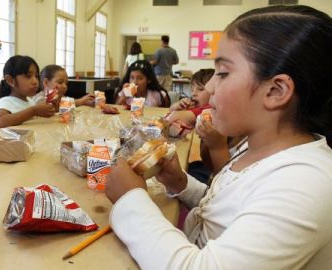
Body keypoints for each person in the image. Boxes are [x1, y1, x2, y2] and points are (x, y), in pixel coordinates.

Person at [106, 5, 332, 269]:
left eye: (222, 73)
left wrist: (129, 198)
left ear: (275, 91)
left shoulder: (305, 183)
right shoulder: (255, 146)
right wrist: (180, 183)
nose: (210, 86)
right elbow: (227, 210)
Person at [0, 55, 55, 127]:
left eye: (36, 76)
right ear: (10, 81)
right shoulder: (6, 101)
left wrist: (50, 109)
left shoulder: (30, 101)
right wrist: (33, 111)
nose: (35, 81)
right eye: (28, 76)